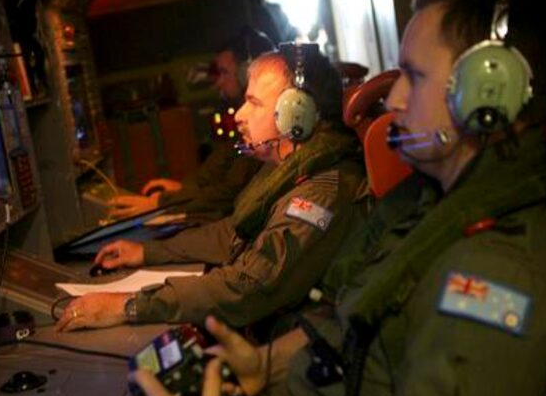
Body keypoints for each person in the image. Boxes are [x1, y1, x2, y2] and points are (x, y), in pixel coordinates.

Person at [124, 0, 546, 396]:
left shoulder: (495, 280)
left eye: (414, 77)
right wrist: (266, 366)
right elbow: (362, 328)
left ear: (489, 94)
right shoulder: (435, 209)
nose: (392, 99)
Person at [56, 46, 367, 331]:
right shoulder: (287, 170)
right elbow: (231, 232)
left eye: (253, 103)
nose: (240, 115)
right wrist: (147, 252)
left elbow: (248, 286)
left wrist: (129, 305)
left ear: (295, 115)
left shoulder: (321, 192)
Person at [107, 27, 274, 221]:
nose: (218, 82)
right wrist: (183, 189)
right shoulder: (241, 122)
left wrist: (161, 204)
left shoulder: (260, 125)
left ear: (246, 72)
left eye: (223, 72)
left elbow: (230, 191)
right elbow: (221, 163)